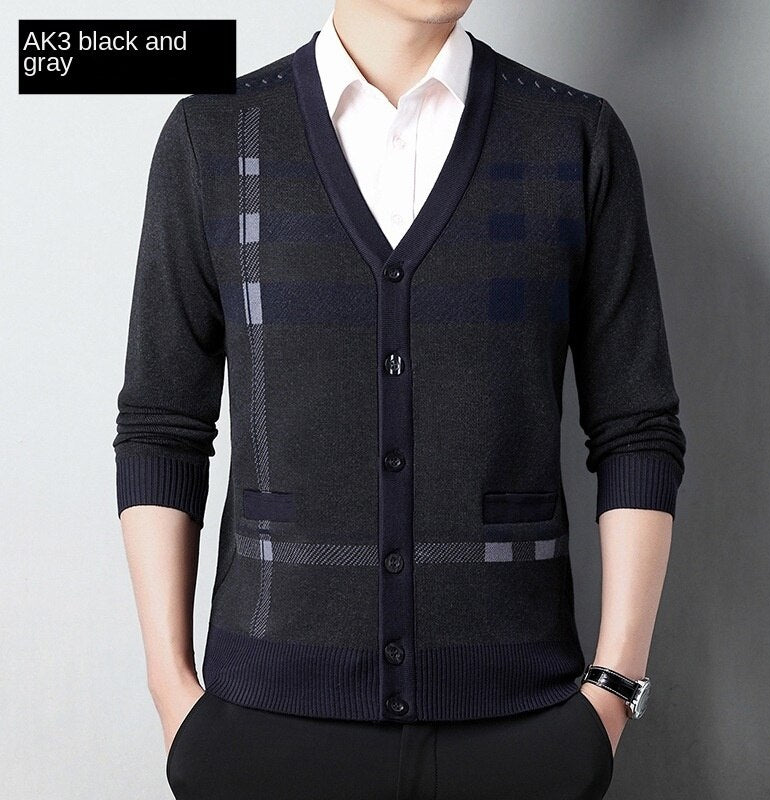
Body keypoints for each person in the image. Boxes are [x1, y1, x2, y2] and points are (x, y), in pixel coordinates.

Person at [113, 2, 687, 798]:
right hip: (263, 725)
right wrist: (171, 688)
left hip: (521, 728)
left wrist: (613, 690)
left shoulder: (572, 137)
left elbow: (636, 430)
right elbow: (161, 427)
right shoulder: (212, 136)